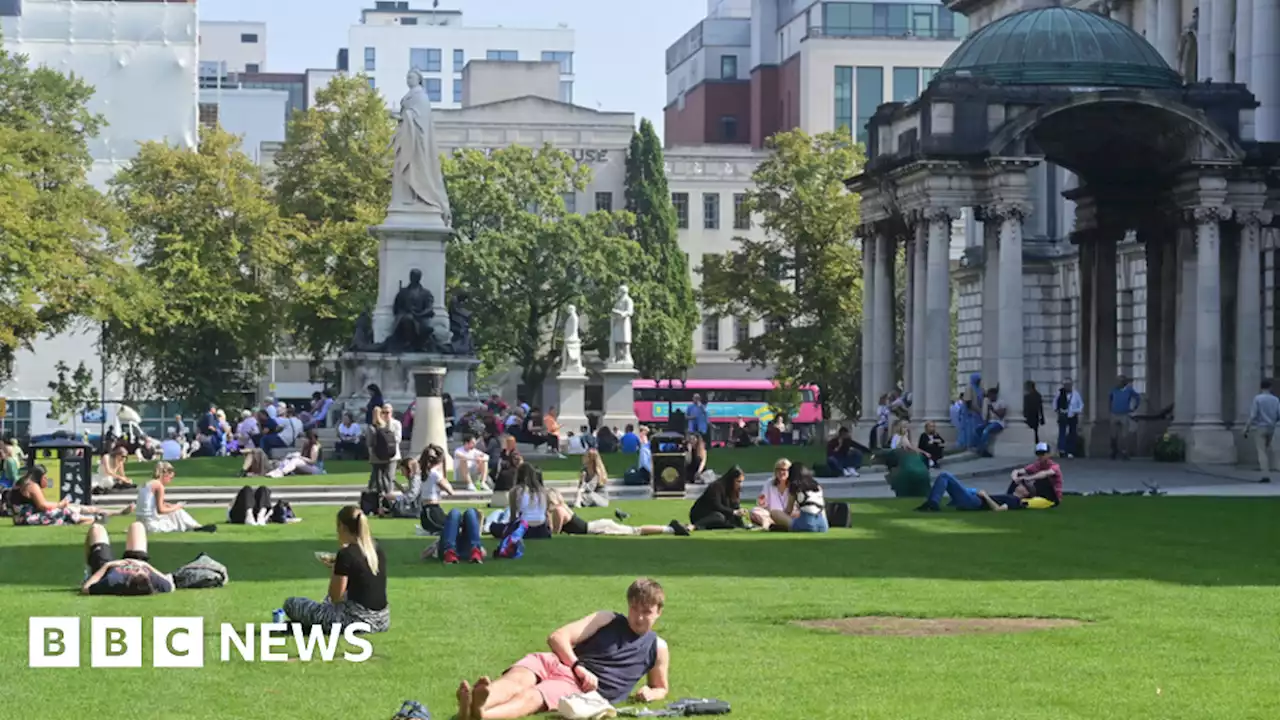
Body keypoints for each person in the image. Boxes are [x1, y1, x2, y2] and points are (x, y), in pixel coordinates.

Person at [455, 578, 670, 720]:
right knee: (516, 681)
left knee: (535, 696)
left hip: (576, 686)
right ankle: (476, 704)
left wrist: (650, 693)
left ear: (658, 612)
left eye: (646, 612)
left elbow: (661, 687)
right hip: (558, 661)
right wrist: (577, 666)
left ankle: (480, 713)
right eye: (634, 608)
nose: (638, 617)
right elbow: (557, 637)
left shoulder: (657, 647)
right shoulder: (607, 618)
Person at [283, 506, 389, 632]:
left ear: (342, 527)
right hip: (382, 620)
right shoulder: (375, 549)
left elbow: (335, 597)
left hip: (355, 620)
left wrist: (336, 569)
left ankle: (306, 626)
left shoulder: (346, 554)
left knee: (291, 604)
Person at [13, 466, 130, 526]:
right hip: (29, 518)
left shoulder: (24, 482)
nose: (46, 479)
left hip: (27, 516)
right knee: (67, 511)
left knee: (77, 508)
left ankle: (114, 513)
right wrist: (59, 505)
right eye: (44, 477)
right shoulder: (32, 486)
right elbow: (43, 505)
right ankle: (96, 519)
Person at [80, 521, 174, 596]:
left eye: (135, 570)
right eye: (143, 571)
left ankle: (89, 573)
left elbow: (86, 589)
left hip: (106, 569)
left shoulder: (112, 581)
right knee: (137, 526)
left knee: (96, 528)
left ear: (128, 577)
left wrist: (108, 565)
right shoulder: (154, 581)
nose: (135, 568)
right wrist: (145, 565)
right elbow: (171, 585)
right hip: (138, 561)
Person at [547, 489, 690, 537]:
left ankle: (670, 529)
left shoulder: (558, 511)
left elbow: (555, 533)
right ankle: (675, 528)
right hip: (597, 526)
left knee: (636, 531)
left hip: (599, 528)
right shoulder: (563, 507)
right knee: (635, 530)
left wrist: (547, 516)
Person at [137, 462, 215, 533]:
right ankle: (196, 527)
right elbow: (160, 510)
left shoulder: (147, 484)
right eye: (170, 478)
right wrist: (177, 506)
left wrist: (170, 505)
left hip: (141, 522)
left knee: (175, 510)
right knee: (178, 511)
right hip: (151, 524)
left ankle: (196, 527)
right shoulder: (159, 486)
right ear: (166, 474)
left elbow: (153, 504)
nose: (170, 481)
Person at [1243, 378, 1280, 483]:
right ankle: (1271, 467)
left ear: (1261, 387)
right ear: (1270, 387)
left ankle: (1265, 475)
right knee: (1267, 450)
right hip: (1271, 427)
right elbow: (1279, 415)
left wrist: (1246, 428)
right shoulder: (1275, 399)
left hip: (1260, 427)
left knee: (1261, 451)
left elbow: (1253, 415)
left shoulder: (1258, 399)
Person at [417, 445, 456, 533]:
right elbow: (451, 491)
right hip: (433, 511)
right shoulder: (435, 474)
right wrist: (444, 473)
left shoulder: (424, 473)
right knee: (454, 525)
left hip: (426, 511)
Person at [507, 464, 553, 539]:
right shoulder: (543, 491)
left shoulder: (515, 490)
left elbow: (513, 516)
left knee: (495, 527)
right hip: (542, 530)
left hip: (525, 529)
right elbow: (546, 512)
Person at [749, 458, 795, 531]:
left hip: (789, 516)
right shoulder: (769, 483)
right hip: (771, 516)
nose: (781, 472)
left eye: (784, 470)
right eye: (778, 469)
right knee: (754, 511)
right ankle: (772, 525)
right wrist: (763, 504)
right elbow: (762, 503)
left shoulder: (794, 485)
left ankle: (773, 526)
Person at [784, 463, 828, 533]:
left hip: (807, 523)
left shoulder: (795, 486)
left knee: (777, 514)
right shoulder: (816, 485)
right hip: (823, 525)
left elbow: (789, 510)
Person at [1108, 375, 1140, 460]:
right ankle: (1113, 451)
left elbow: (1137, 397)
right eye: (1118, 381)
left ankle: (1124, 452)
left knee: (1124, 435)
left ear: (1124, 383)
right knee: (1113, 434)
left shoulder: (1129, 390)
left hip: (1124, 414)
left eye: (1120, 381)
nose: (1118, 383)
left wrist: (1134, 407)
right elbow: (1110, 398)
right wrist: (1110, 409)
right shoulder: (1114, 390)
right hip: (1114, 413)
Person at [367, 406, 397, 496]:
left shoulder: (372, 427)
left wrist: (370, 453)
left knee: (378, 475)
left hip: (376, 455)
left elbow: (369, 442)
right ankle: (388, 491)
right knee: (386, 475)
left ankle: (381, 493)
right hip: (387, 454)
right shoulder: (386, 426)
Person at [1055, 378, 1084, 458]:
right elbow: (1055, 402)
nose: (1067, 386)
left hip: (1072, 415)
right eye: (1066, 385)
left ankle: (1071, 451)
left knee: (1072, 433)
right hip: (1063, 415)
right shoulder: (1059, 393)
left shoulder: (1076, 394)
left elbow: (1081, 405)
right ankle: (1062, 449)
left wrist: (1076, 411)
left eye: (1069, 385)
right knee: (1062, 433)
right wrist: (1058, 410)